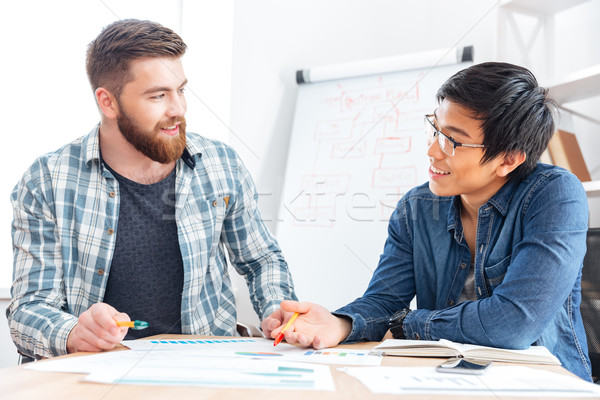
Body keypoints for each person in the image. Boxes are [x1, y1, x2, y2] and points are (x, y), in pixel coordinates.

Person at [270, 62, 593, 382]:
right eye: (434, 129)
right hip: (442, 378)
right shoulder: (417, 206)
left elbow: (513, 323)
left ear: (508, 159)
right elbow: (385, 300)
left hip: (543, 382)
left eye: (452, 140)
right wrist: (339, 324)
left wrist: (404, 324)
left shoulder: (554, 194)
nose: (432, 151)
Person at [7, 19, 296, 359]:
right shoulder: (46, 181)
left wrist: (278, 311)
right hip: (97, 374)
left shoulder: (221, 164)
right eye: (158, 95)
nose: (178, 109)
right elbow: (28, 311)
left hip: (205, 366)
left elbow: (261, 259)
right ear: (108, 102)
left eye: (181, 90)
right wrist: (72, 333)